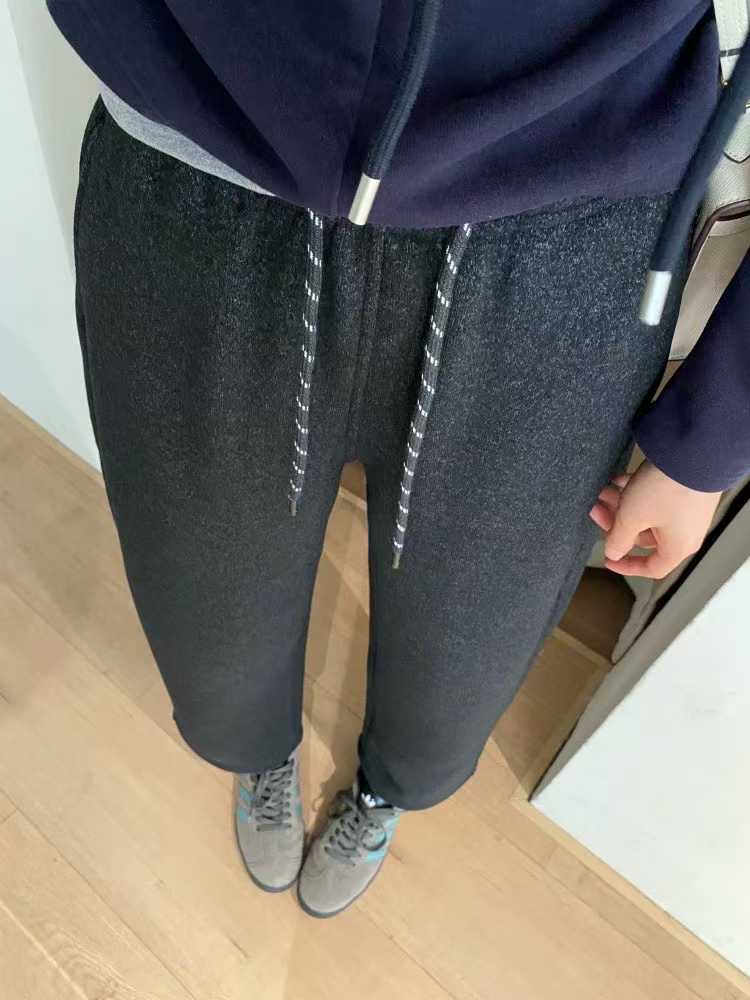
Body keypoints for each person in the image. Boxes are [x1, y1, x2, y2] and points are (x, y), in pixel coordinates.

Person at [47, 0, 749, 918]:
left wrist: (715, 432)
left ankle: (384, 795)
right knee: (209, 617)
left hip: (571, 204)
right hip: (200, 143)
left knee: (461, 664)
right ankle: (261, 755)